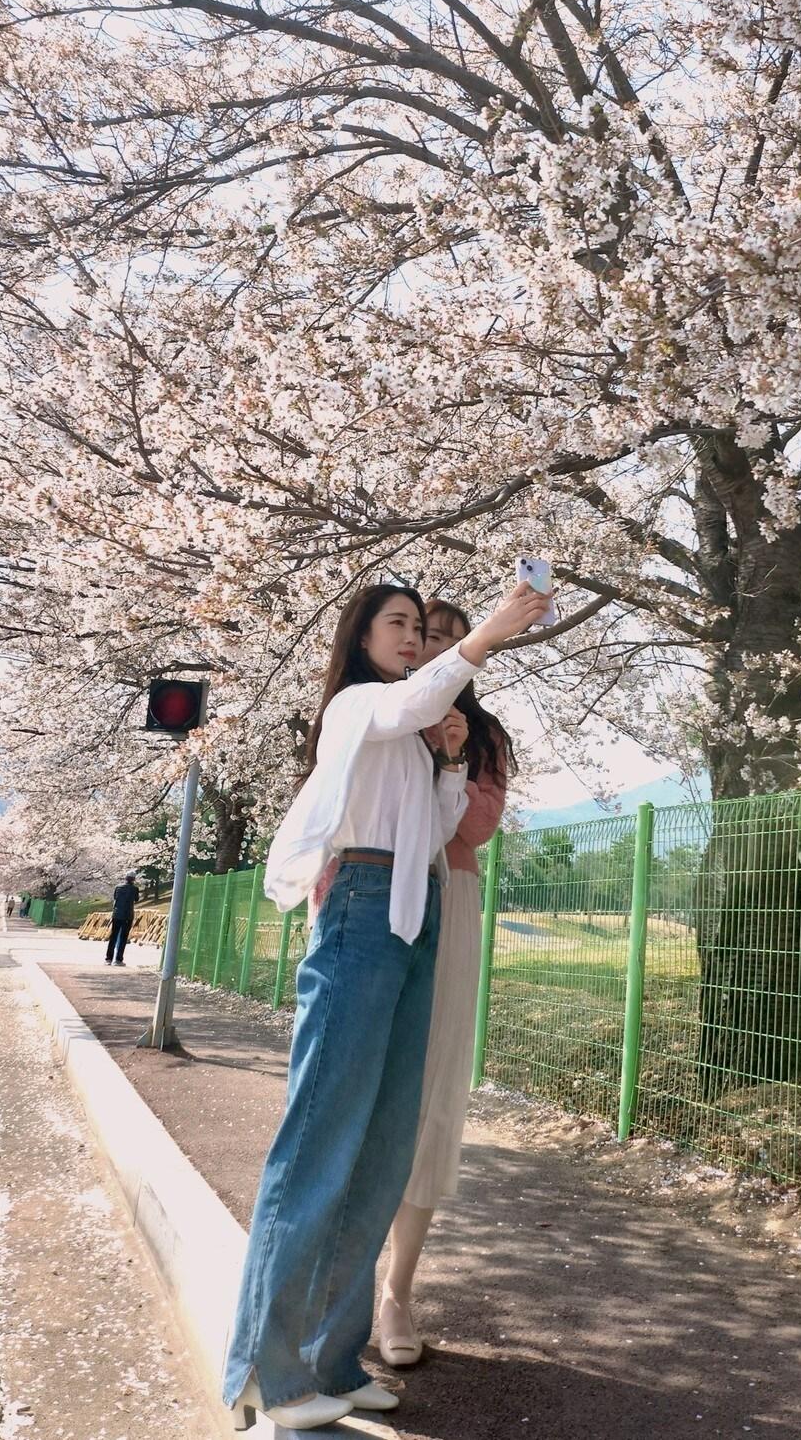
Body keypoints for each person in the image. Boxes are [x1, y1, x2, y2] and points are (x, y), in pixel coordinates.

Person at [223, 577, 548, 1433]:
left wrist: (447, 759)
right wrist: (485, 636)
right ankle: (271, 1371)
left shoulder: (411, 731)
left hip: (419, 912)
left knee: (382, 1147)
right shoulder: (357, 708)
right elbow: (411, 699)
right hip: (363, 910)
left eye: (417, 626)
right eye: (397, 624)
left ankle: (336, 1357)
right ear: (361, 638)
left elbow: (443, 821)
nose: (411, 636)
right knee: (321, 1141)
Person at [377, 597, 515, 1366]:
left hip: (449, 894)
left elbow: (478, 828)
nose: (430, 650)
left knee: (432, 1091)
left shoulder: (481, 733)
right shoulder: (377, 710)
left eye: (451, 642)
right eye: (421, 636)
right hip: (366, 896)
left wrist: (456, 758)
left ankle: (396, 1291)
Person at [106, 872, 139, 965]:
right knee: (123, 938)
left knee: (113, 936)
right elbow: (136, 899)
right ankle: (118, 959)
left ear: (125, 878)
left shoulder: (118, 887)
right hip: (127, 915)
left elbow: (115, 897)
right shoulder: (135, 889)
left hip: (116, 914)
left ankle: (108, 958)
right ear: (133, 879)